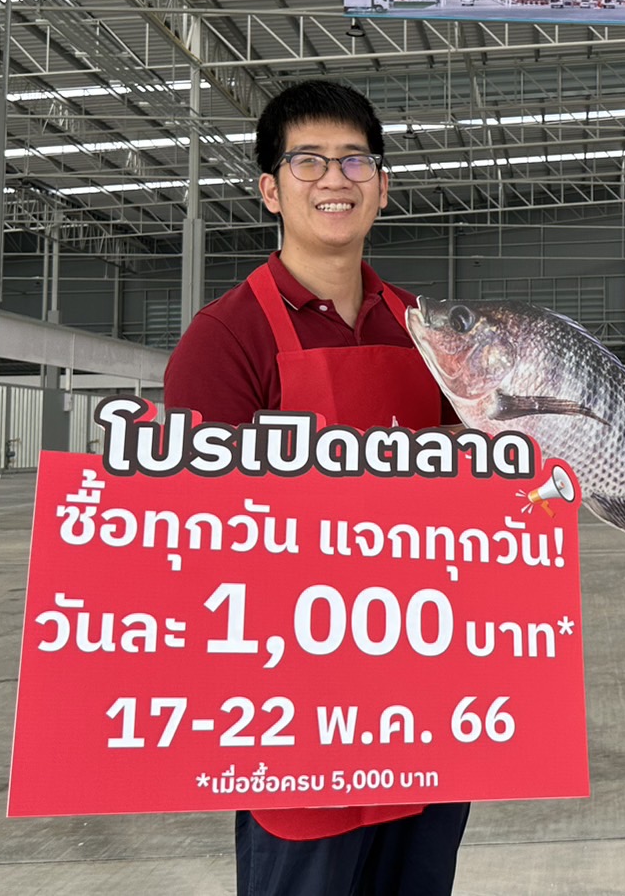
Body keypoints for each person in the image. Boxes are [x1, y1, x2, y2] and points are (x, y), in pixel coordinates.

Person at [164, 80, 471, 896]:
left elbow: (482, 487)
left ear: (383, 185)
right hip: (292, 698)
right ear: (270, 189)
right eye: (308, 161)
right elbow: (191, 532)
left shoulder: (429, 332)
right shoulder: (224, 338)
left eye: (354, 160)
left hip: (423, 684)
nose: (335, 178)